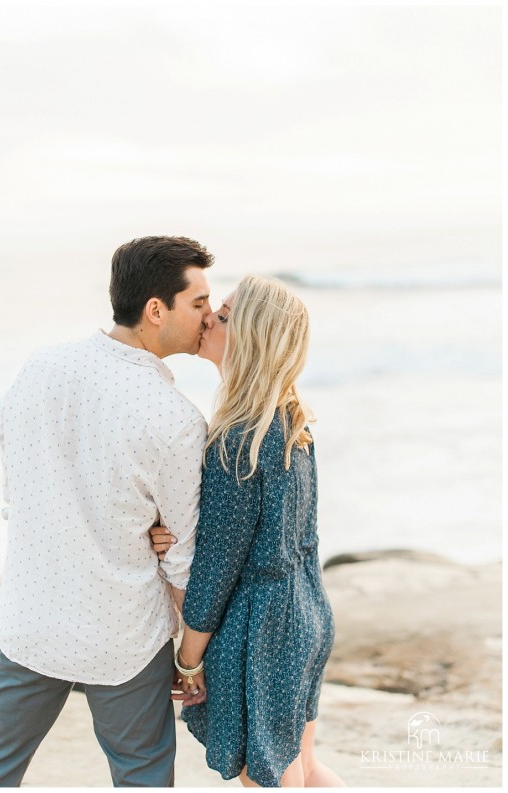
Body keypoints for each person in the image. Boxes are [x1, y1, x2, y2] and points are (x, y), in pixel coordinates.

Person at [0, 235, 214, 787]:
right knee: (142, 777)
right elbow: (184, 555)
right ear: (156, 310)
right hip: (124, 637)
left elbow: (19, 483)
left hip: (30, 620)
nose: (208, 318)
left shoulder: (40, 368)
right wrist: (190, 658)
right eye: (199, 304)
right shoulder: (176, 419)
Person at [152, 275, 346, 788]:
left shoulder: (238, 439)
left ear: (253, 336)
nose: (209, 317)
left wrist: (188, 657)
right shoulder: (291, 422)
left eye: (227, 313)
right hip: (308, 616)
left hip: (264, 634)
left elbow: (218, 567)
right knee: (303, 768)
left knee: (267, 779)